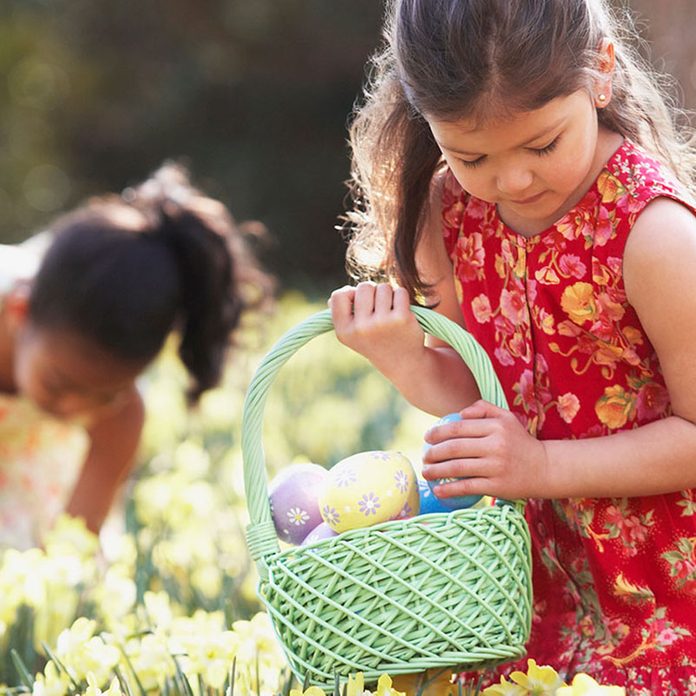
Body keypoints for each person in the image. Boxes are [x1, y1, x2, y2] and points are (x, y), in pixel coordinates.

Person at [329, 0, 696, 692]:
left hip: (663, 594)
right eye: (472, 155)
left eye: (543, 144)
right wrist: (405, 357)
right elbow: (485, 389)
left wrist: (540, 466)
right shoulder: (448, 211)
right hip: (525, 588)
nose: (513, 181)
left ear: (602, 75)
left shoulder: (657, 236)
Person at [0, 163, 272, 550]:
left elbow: (70, 552)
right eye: (60, 383)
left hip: (33, 476)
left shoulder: (121, 412)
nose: (76, 407)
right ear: (19, 313)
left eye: (106, 394)